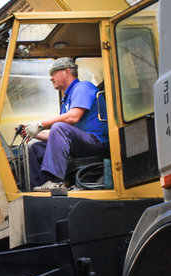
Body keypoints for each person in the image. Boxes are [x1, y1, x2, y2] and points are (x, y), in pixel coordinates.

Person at [20, 57, 108, 192]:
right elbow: (58, 138)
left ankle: (56, 182)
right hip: (78, 143)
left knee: (59, 127)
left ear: (67, 71)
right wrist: (34, 133)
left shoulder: (83, 87)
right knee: (36, 149)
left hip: (96, 142)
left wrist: (39, 125)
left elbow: (73, 117)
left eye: (54, 73)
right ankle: (39, 189)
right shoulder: (66, 99)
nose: (51, 78)